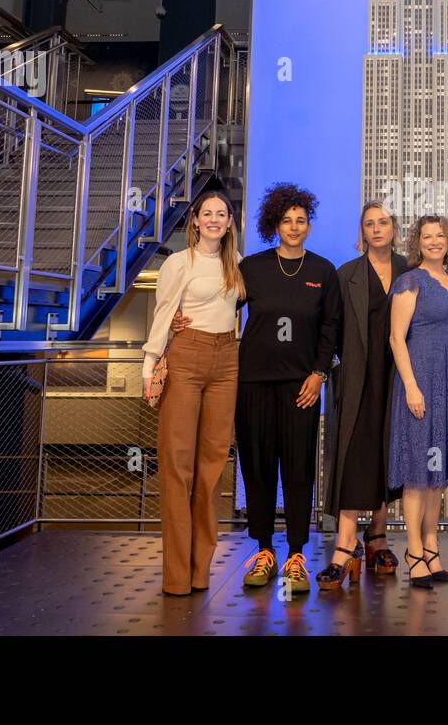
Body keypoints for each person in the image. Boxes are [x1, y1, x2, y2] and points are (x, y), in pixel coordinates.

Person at [176, 182, 342, 594]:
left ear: (309, 225)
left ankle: (298, 553)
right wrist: (182, 320)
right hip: (252, 383)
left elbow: (331, 328)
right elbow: (219, 306)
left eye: (301, 220)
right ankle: (265, 549)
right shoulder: (251, 267)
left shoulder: (323, 271)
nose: (294, 226)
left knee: (300, 470)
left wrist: (318, 373)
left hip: (301, 386)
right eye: (287, 220)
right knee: (258, 467)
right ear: (275, 223)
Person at [142, 190, 244, 596]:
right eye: (208, 213)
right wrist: (149, 367)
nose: (215, 219)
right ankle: (176, 576)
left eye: (222, 213)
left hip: (227, 361)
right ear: (196, 221)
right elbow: (164, 314)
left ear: (230, 222)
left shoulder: (236, 264)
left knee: (212, 468)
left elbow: (236, 311)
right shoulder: (177, 263)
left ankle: (201, 571)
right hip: (185, 357)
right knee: (176, 467)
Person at [317, 202, 407, 589]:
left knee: (389, 454)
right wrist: (328, 370)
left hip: (400, 378)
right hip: (357, 379)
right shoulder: (346, 274)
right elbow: (330, 328)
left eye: (382, 222)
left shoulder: (410, 271)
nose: (376, 229)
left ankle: (377, 537)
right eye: (369, 224)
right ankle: (345, 543)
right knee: (355, 452)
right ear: (362, 232)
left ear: (393, 228)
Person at [388, 215, 448, 589]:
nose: (435, 241)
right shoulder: (410, 281)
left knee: (436, 475)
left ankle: (432, 548)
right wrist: (410, 385)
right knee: (417, 472)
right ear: (417, 242)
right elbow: (395, 338)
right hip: (420, 380)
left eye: (440, 236)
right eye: (427, 236)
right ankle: (412, 551)